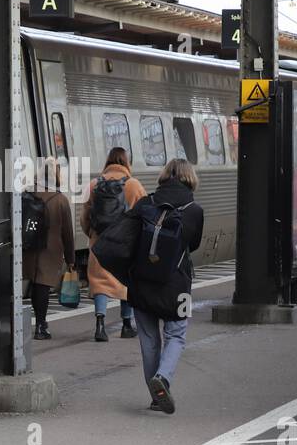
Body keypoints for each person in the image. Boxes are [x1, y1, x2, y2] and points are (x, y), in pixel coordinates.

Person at [127, 158, 204, 415]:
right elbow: (193, 245)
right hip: (177, 285)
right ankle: (163, 378)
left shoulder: (145, 203)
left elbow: (129, 238)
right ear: (189, 178)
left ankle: (154, 395)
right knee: (177, 335)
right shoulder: (194, 210)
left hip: (141, 284)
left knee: (149, 340)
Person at [80, 147, 146, 342]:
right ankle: (127, 325)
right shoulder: (133, 185)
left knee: (100, 283)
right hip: (124, 243)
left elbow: (84, 218)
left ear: (107, 162)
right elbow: (143, 214)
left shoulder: (93, 185)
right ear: (126, 162)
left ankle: (100, 326)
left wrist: (92, 235)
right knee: (126, 283)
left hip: (99, 242)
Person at [23, 158, 76, 340]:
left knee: (35, 284)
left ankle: (37, 323)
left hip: (30, 246)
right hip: (50, 249)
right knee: (43, 286)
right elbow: (67, 232)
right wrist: (71, 259)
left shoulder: (28, 193)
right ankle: (40, 325)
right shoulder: (60, 200)